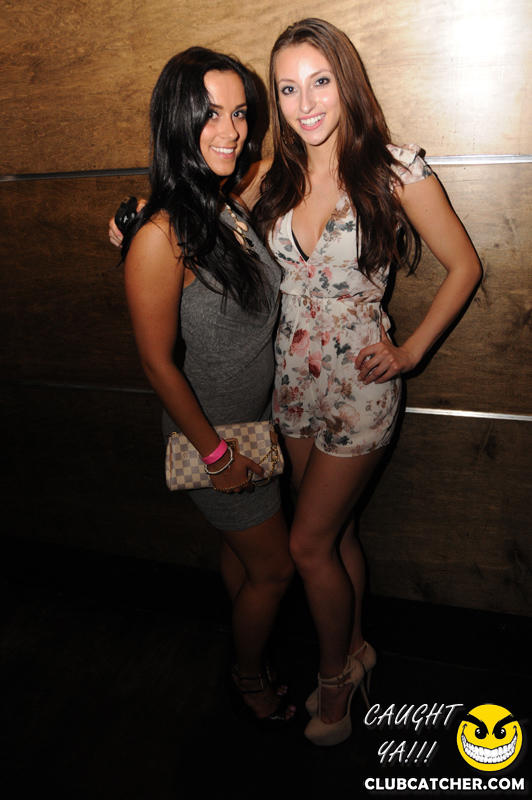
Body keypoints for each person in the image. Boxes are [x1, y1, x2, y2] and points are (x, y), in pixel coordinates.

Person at [244, 18, 481, 745]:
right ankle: (355, 645)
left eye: (319, 81)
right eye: (288, 88)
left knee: (307, 545)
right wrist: (134, 221)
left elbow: (466, 266)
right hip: (292, 380)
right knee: (336, 531)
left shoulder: (394, 168)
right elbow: (198, 203)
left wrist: (410, 353)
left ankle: (334, 682)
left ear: (346, 82)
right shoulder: (274, 175)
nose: (305, 103)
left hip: (360, 386)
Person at [114, 46, 295, 725]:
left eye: (240, 114)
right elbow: (156, 363)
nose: (231, 132)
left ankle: (243, 636)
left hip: (250, 426)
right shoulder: (161, 236)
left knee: (244, 559)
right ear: (176, 120)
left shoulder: (222, 203)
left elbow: (283, 160)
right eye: (210, 115)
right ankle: (248, 677)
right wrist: (217, 458)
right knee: (275, 571)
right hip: (213, 439)